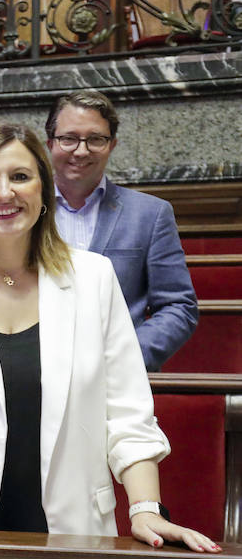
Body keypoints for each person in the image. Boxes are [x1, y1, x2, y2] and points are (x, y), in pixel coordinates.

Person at [0, 122, 219, 556]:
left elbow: (129, 412)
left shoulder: (93, 277)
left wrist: (146, 509)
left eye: (20, 176)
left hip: (77, 528)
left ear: (43, 190)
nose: (5, 193)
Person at [45, 90, 197, 370]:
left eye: (95, 139)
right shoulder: (23, 212)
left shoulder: (150, 214)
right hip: (37, 373)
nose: (81, 150)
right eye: (68, 138)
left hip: (120, 380)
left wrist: (126, 358)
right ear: (50, 143)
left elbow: (178, 307)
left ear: (112, 145)